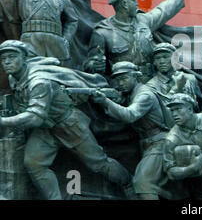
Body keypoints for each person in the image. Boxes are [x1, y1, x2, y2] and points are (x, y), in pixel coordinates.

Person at [0, 40, 134, 200]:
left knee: (99, 164)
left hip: (69, 125)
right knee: (34, 164)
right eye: (3, 58)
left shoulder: (39, 81)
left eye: (12, 56)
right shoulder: (14, 78)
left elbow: (35, 117)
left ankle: (129, 185)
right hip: (47, 129)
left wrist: (4, 121)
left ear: (24, 58)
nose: (7, 62)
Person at [92, 61, 186, 200]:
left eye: (124, 78)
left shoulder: (144, 95)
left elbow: (130, 115)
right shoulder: (131, 93)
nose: (120, 83)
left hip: (160, 143)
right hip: (148, 144)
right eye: (118, 80)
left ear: (135, 76)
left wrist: (105, 101)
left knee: (143, 183)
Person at [84, 0, 198, 80]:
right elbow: (90, 63)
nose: (137, 3)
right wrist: (95, 65)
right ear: (125, 4)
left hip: (152, 79)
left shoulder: (142, 20)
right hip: (125, 85)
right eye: (133, 0)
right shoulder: (103, 32)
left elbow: (163, 11)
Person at [145, 43, 202, 110]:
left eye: (165, 57)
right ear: (154, 62)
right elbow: (162, 110)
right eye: (158, 58)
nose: (161, 61)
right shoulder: (151, 86)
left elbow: (201, 104)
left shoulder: (189, 79)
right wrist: (176, 88)